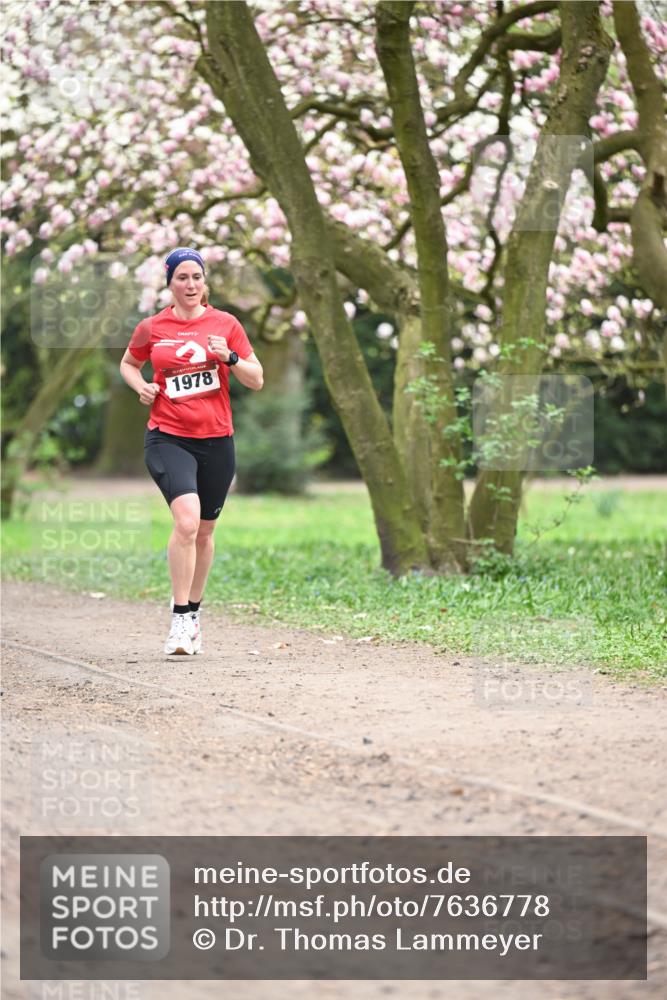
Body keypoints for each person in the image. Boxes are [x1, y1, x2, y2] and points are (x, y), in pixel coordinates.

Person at [120, 247, 263, 655]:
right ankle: (180, 619)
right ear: (169, 282)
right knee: (186, 522)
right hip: (169, 437)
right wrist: (141, 386)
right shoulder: (152, 327)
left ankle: (194, 612)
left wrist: (229, 356)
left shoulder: (226, 324)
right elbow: (129, 364)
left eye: (196, 277)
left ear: (205, 282)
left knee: (204, 531)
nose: (190, 285)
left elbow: (256, 379)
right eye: (182, 277)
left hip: (217, 440)